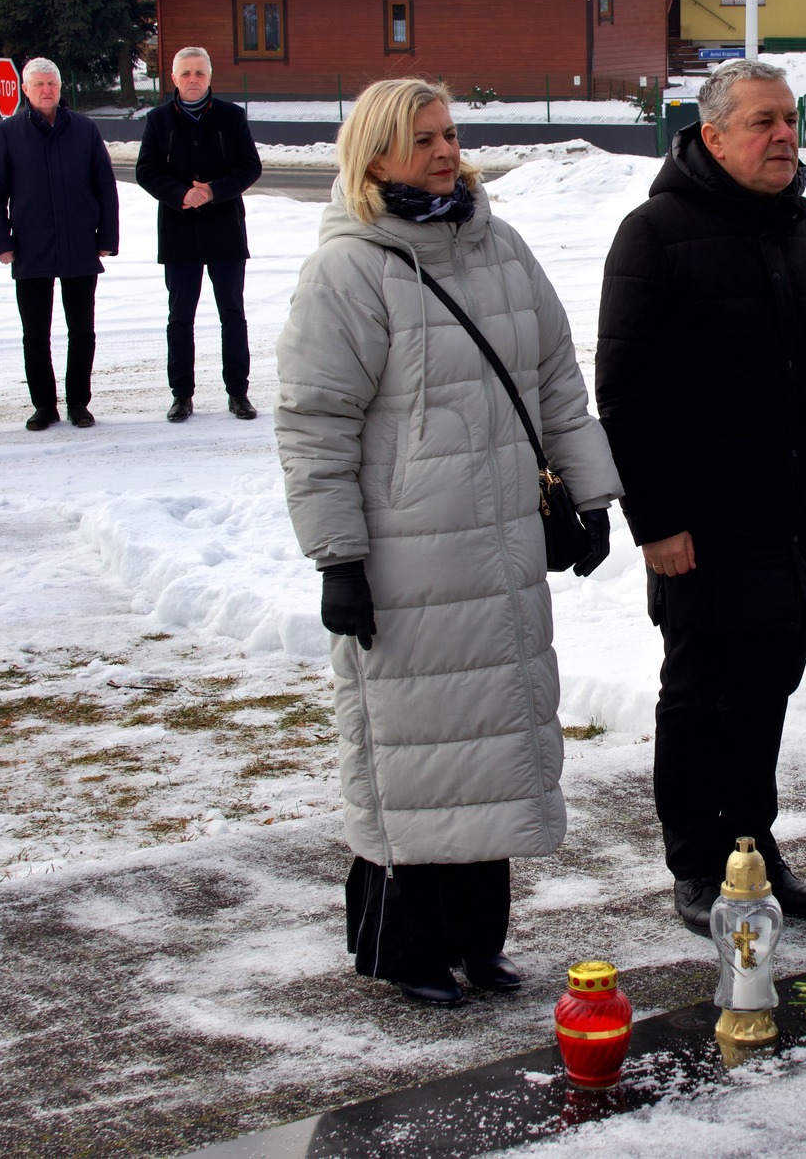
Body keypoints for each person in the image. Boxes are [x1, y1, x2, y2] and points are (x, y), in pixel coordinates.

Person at [274, 78, 620, 1007]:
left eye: (450, 133)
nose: (443, 152)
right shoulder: (349, 270)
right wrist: (338, 559)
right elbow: (315, 426)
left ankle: (477, 939)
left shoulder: (497, 245)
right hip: (407, 559)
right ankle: (406, 948)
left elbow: (554, 376)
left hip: (500, 548)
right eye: (421, 138)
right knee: (414, 750)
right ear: (374, 154)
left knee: (494, 739)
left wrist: (591, 493)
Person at [595, 58, 806, 935]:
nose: (783, 137)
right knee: (701, 692)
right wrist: (656, 518)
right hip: (706, 522)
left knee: (768, 686)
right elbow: (627, 392)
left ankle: (752, 849)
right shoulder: (653, 235)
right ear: (713, 134)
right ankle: (698, 864)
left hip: (799, 512)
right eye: (763, 123)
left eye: (790, 121)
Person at [0, 57, 120, 430]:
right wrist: (1, 242)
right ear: (25, 90)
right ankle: (44, 405)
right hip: (30, 246)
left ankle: (78, 403)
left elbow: (105, 187)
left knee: (82, 330)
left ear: (61, 88)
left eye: (52, 84)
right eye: (39, 84)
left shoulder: (84, 130)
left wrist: (106, 238)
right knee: (36, 333)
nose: (46, 90)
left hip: (79, 244)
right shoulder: (8, 133)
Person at [135, 46, 262, 422]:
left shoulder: (231, 117)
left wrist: (213, 190)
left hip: (225, 229)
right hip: (179, 230)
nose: (193, 80)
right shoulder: (158, 120)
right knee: (180, 317)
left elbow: (250, 166)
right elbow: (146, 170)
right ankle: (182, 395)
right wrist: (181, 194)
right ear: (173, 78)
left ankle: (238, 392)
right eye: (186, 73)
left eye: (200, 74)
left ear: (210, 77)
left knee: (232, 314)